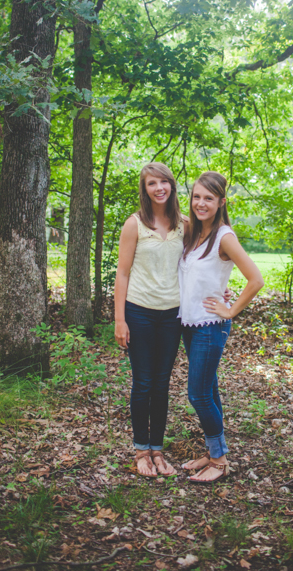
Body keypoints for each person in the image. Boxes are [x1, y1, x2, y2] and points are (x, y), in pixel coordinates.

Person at [178, 171, 263, 483]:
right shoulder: (193, 232)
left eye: (208, 199)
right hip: (189, 324)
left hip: (211, 326)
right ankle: (214, 451)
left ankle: (220, 460)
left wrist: (230, 311)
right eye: (197, 197)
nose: (201, 203)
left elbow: (256, 280)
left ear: (221, 202)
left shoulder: (224, 236)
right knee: (208, 389)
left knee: (198, 395)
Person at [114, 162, 185, 477]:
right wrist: (120, 319)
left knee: (161, 383)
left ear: (171, 185)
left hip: (173, 314)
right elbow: (123, 272)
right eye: (152, 183)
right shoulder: (135, 224)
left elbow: (203, 262)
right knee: (143, 383)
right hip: (139, 311)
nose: (159, 188)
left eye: (164, 182)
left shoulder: (185, 224)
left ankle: (157, 450)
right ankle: (141, 450)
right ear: (145, 189)